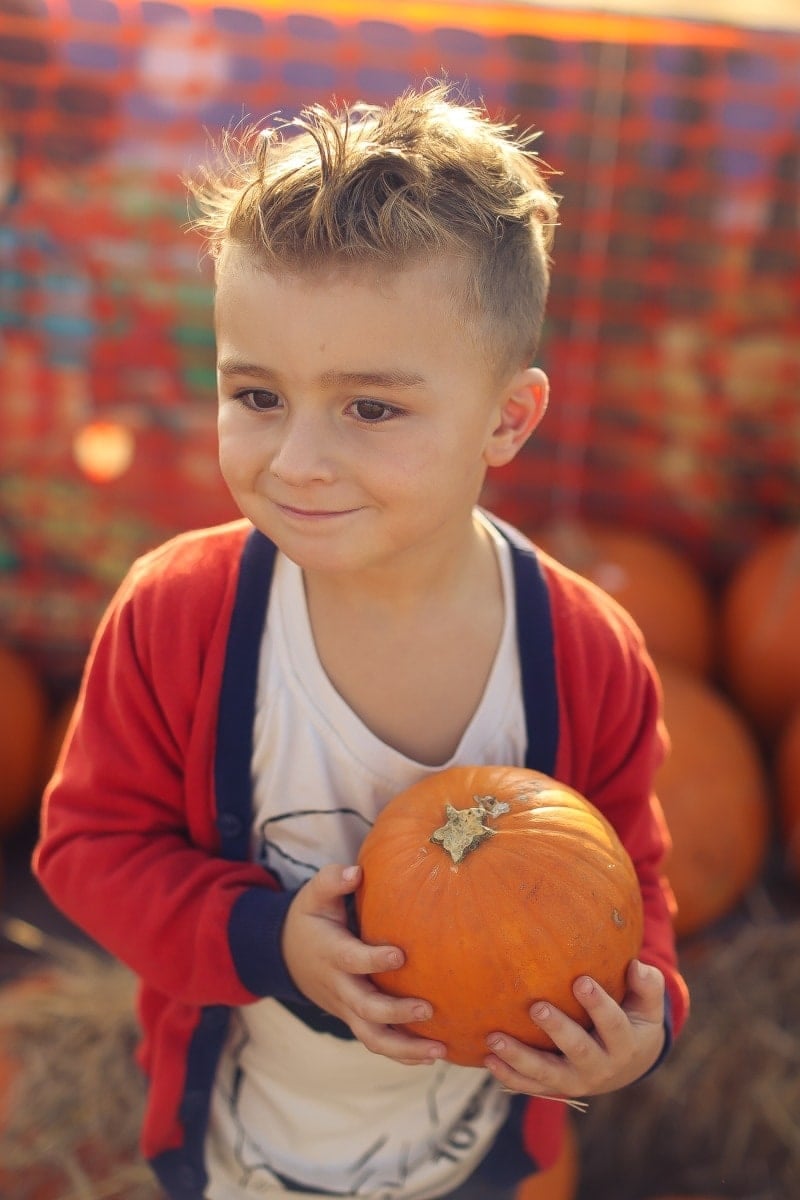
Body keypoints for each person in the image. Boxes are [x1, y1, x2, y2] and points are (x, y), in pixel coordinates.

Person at [35, 81, 689, 1200]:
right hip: (240, 1144)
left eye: (369, 410)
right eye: (256, 395)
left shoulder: (583, 652)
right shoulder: (178, 616)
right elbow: (86, 852)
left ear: (507, 419)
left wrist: (646, 1016)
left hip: (475, 1156)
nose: (295, 461)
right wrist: (263, 939)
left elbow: (631, 883)